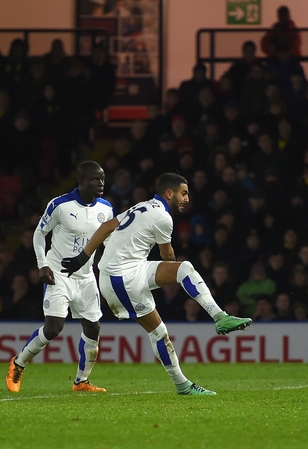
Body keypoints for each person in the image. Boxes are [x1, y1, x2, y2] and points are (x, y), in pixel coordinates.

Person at [60, 173, 253, 395]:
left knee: (185, 268)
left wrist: (82, 257)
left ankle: (220, 317)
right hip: (120, 279)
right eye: (184, 193)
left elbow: (105, 228)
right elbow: (166, 253)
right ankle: (183, 385)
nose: (187, 199)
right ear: (169, 193)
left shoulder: (142, 206)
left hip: (132, 269)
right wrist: (169, 273)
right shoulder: (163, 217)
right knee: (159, 331)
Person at [5, 161, 113, 394]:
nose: (101, 183)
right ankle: (18, 363)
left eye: (102, 178)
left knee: (93, 328)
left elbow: (107, 242)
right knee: (54, 328)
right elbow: (39, 233)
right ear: (81, 181)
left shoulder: (106, 208)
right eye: (95, 179)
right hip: (58, 275)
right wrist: (42, 264)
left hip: (85, 278)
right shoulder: (60, 205)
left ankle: (81, 382)